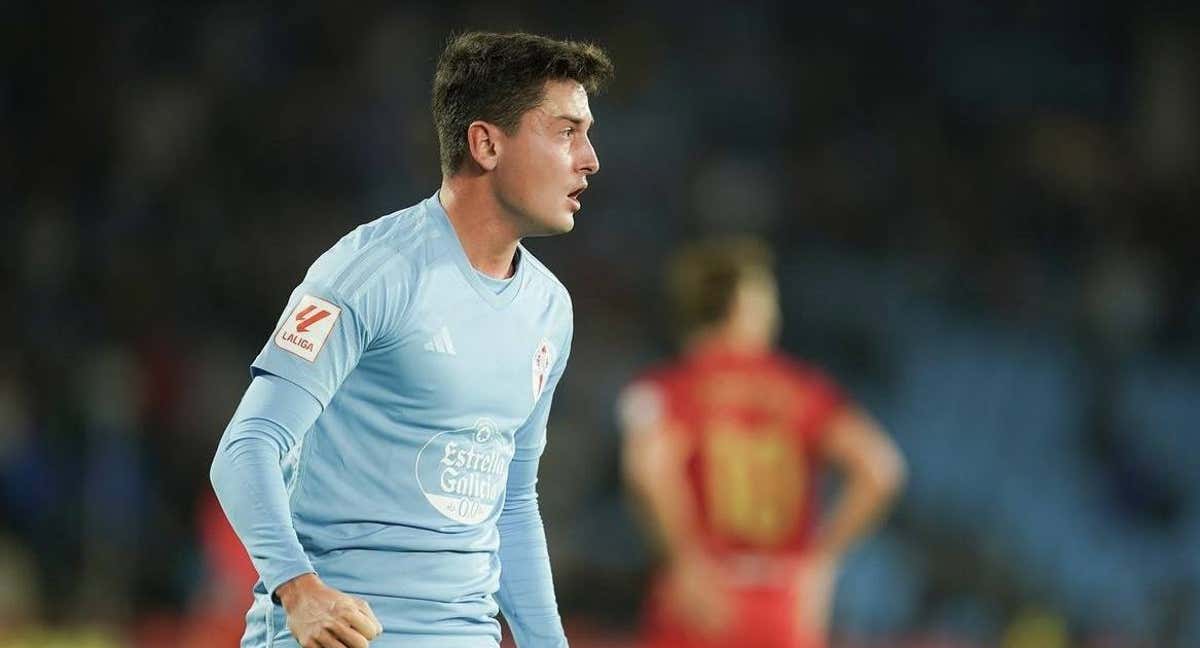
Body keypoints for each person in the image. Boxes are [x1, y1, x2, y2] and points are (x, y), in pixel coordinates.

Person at [209, 31, 612, 648]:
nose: (590, 159)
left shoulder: (549, 309)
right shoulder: (370, 272)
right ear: (486, 144)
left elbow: (511, 505)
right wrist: (299, 589)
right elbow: (246, 447)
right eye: (566, 132)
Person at [619, 238, 906, 648]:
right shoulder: (802, 390)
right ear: (743, 306)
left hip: (705, 599)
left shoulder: (671, 389)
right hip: (785, 605)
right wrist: (821, 563)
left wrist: (685, 559)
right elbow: (881, 468)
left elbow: (647, 469)